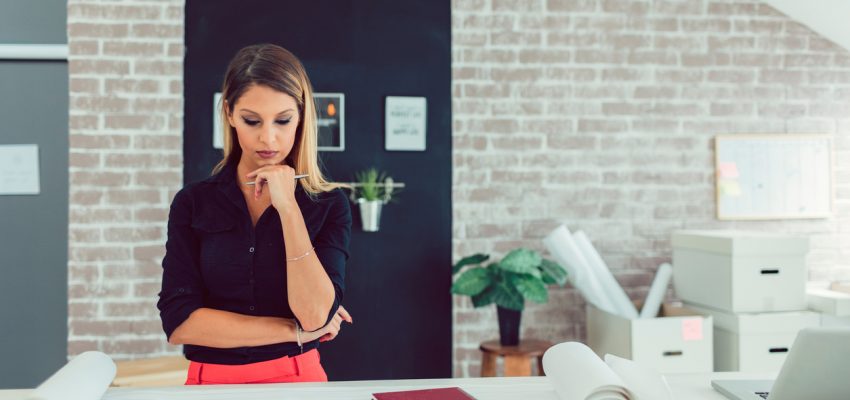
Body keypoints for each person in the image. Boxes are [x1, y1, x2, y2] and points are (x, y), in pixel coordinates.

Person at [156, 43, 352, 385]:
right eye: (252, 120)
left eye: (283, 120)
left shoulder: (328, 205)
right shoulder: (192, 203)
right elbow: (179, 322)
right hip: (210, 385)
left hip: (298, 382)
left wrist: (288, 207)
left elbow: (315, 313)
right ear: (230, 113)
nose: (268, 138)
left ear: (302, 117)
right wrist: (292, 331)